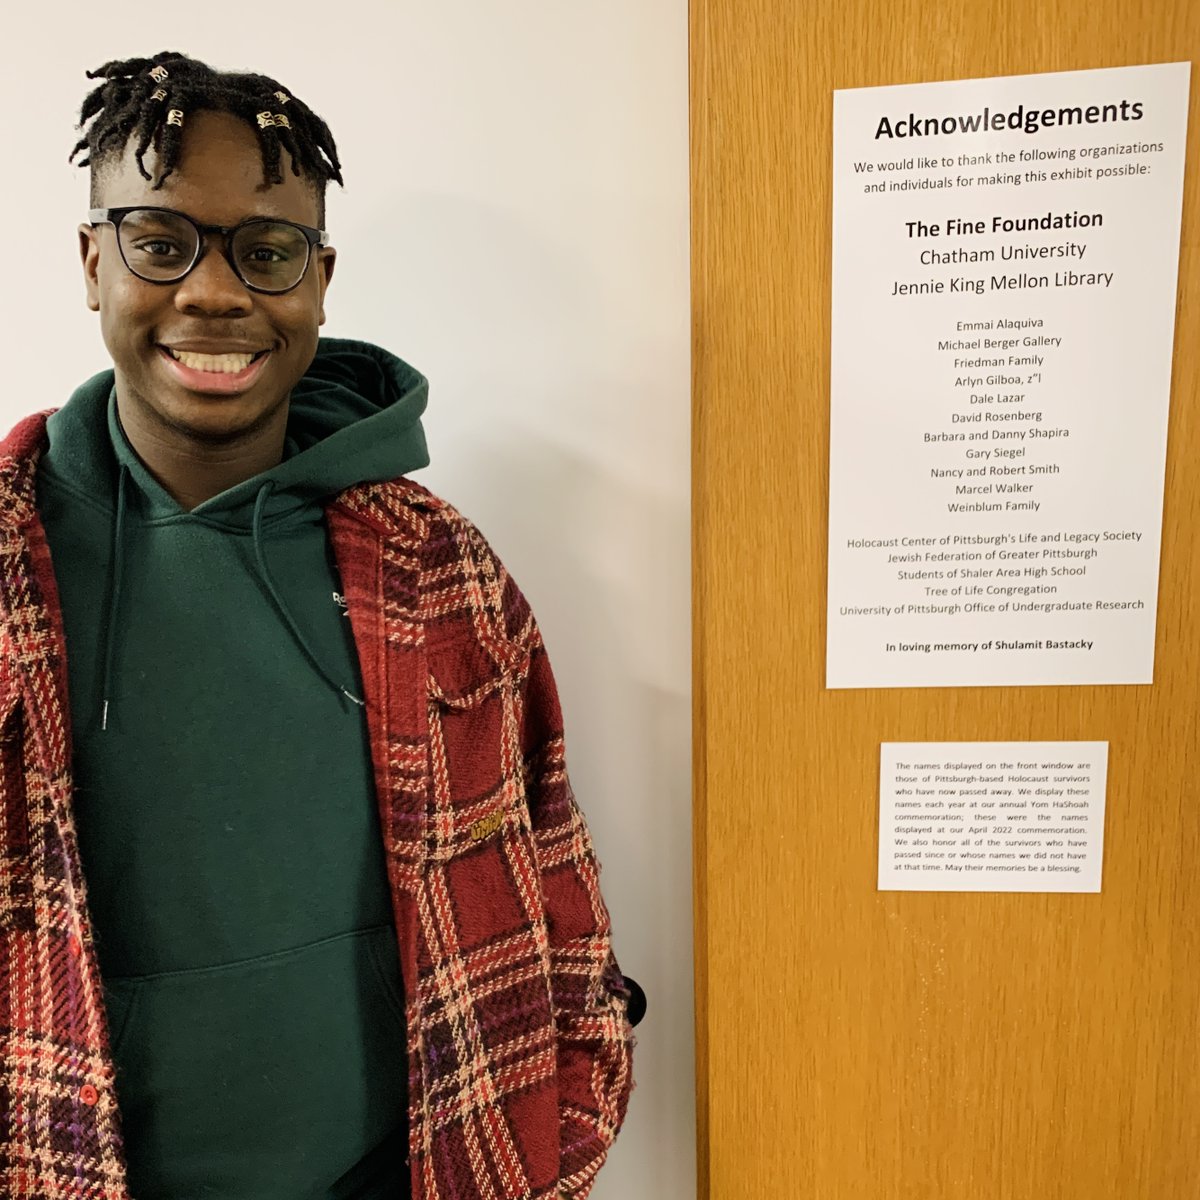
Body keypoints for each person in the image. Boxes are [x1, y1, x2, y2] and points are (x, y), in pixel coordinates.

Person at [0, 50, 639, 1200]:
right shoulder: (8, 568)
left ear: (319, 279)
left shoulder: (439, 566)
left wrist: (571, 1118)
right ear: (92, 261)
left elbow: (551, 857)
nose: (213, 292)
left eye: (267, 250)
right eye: (160, 241)